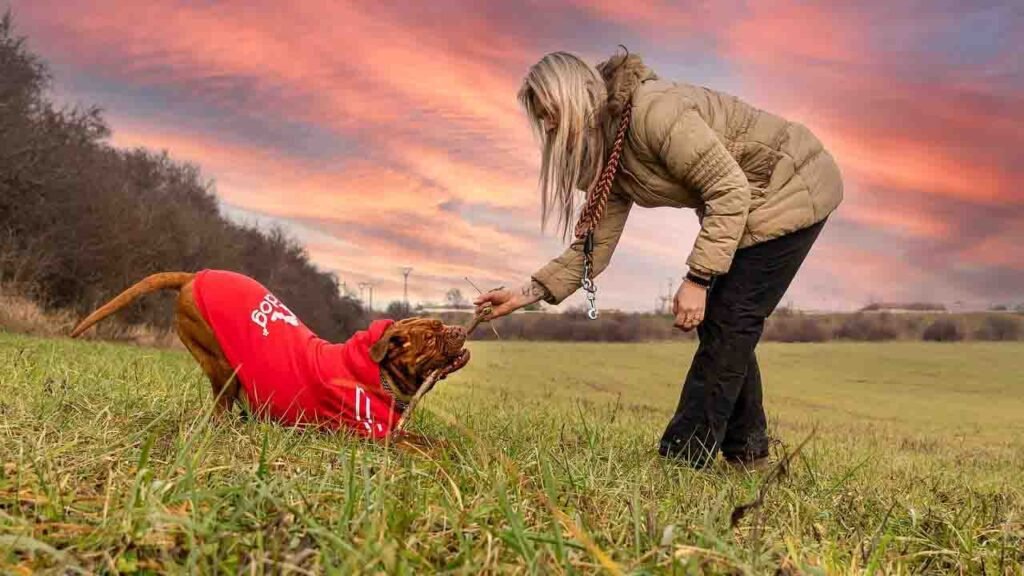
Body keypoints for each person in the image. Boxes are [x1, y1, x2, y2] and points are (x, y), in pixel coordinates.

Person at [474, 49, 843, 469]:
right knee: (726, 322)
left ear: (575, 96)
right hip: (749, 204)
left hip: (792, 186)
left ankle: (685, 457)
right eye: (542, 118)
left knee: (729, 317)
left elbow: (729, 190)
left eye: (552, 111)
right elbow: (593, 245)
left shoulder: (654, 112)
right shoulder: (611, 152)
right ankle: (749, 452)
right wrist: (527, 293)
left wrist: (699, 280)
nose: (550, 126)